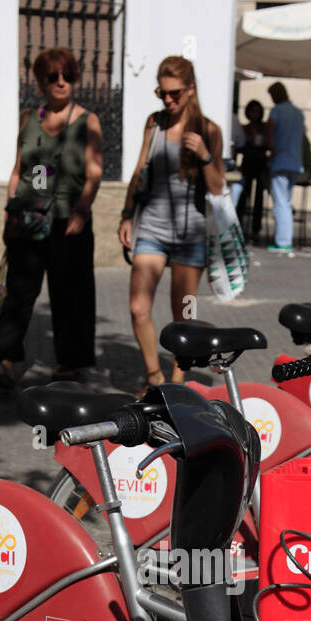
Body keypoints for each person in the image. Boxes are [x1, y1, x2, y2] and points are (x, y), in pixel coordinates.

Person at [0, 47, 103, 387]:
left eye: (67, 76)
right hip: (29, 217)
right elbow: (19, 169)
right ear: (40, 82)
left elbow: (94, 173)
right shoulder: (29, 118)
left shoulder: (87, 120)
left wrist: (82, 210)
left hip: (68, 218)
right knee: (20, 292)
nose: (61, 83)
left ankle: (71, 362)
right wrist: (9, 210)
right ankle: (1, 358)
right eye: (52, 77)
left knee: (70, 293)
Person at [118, 55, 225, 389]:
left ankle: (178, 381)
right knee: (138, 307)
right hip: (151, 226)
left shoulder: (209, 130)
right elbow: (139, 170)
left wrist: (205, 156)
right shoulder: (154, 123)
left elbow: (218, 187)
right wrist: (126, 214)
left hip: (191, 235)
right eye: (162, 93)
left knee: (185, 314)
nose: (167, 100)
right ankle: (153, 376)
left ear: (191, 90)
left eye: (175, 93)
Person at [265, 82, 305, 253]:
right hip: (295, 162)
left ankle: (283, 241)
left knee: (280, 203)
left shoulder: (277, 111)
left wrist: (271, 148)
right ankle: (284, 240)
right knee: (286, 202)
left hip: (280, 160)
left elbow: (269, 128)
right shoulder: (298, 113)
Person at [236, 99, 268, 244]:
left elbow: (268, 143)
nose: (255, 114)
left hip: (260, 163)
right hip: (248, 163)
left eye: (257, 111)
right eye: (252, 111)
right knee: (244, 196)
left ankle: (255, 230)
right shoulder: (245, 128)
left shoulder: (264, 128)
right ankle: (241, 228)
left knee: (259, 198)